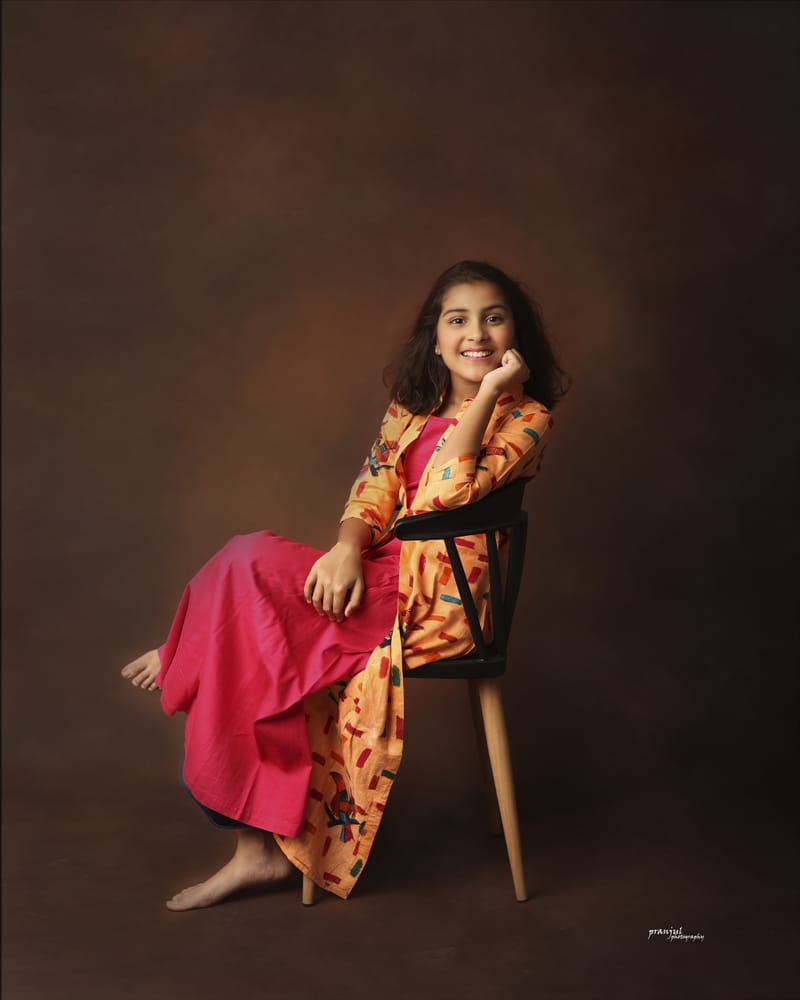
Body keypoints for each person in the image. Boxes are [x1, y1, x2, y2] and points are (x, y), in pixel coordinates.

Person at [121, 259, 569, 910]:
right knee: (247, 553)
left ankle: (190, 653)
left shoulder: (527, 417)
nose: (477, 333)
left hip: (440, 604)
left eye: (494, 318)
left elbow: (447, 492)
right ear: (436, 337)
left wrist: (494, 392)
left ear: (515, 334)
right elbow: (374, 490)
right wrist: (345, 550)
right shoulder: (409, 409)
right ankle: (251, 841)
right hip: (385, 574)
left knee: (248, 603)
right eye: (458, 319)